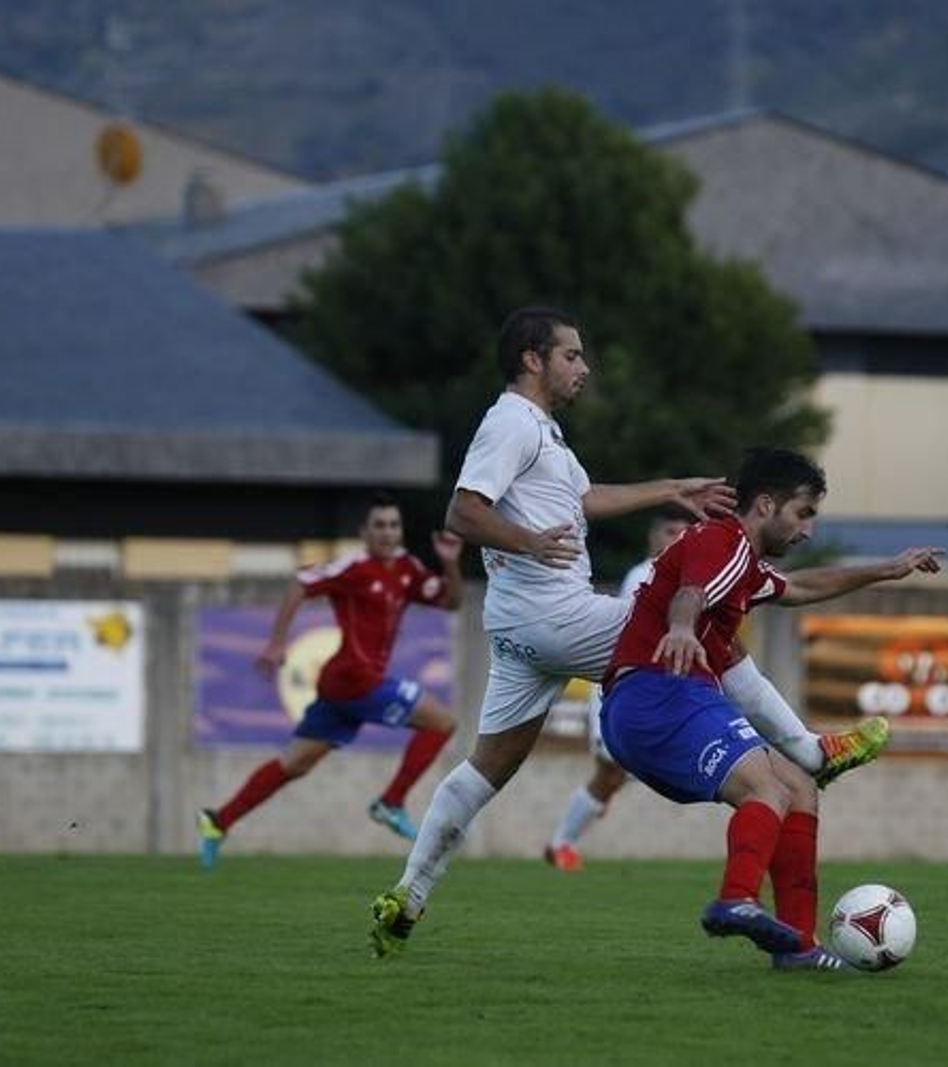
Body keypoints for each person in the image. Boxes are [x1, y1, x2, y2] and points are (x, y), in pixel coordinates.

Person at [369, 307, 889, 956]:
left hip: (520, 627)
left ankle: (408, 894)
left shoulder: (543, 433)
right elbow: (463, 510)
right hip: (553, 613)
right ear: (532, 359)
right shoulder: (510, 421)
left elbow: (585, 500)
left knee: (487, 768)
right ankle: (809, 750)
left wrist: (672, 488)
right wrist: (528, 540)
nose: (584, 367)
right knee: (698, 616)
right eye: (572, 355)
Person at [600, 446, 944, 970]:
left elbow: (801, 586)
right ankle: (736, 897)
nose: (807, 530)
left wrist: (888, 569)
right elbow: (690, 593)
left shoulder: (742, 562)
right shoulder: (724, 541)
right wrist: (679, 627)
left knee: (800, 787)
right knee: (770, 787)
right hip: (659, 694)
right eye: (803, 514)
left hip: (661, 703)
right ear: (765, 505)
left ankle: (799, 948)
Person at [197, 492, 465, 870]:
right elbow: (300, 583)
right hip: (356, 678)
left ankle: (218, 821)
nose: (387, 533)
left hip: (342, 688)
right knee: (443, 722)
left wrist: (450, 563)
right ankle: (391, 802)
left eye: (393, 525)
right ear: (365, 532)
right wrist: (275, 644)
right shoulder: (353, 569)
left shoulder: (407, 568)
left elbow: (451, 602)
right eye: (379, 525)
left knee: (295, 764)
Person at [543, 506, 692, 873]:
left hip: (656, 690)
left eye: (685, 533)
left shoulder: (690, 580)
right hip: (620, 687)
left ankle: (580, 819)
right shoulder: (643, 576)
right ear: (653, 538)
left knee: (618, 773)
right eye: (671, 531)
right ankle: (560, 844)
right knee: (611, 771)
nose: (679, 540)